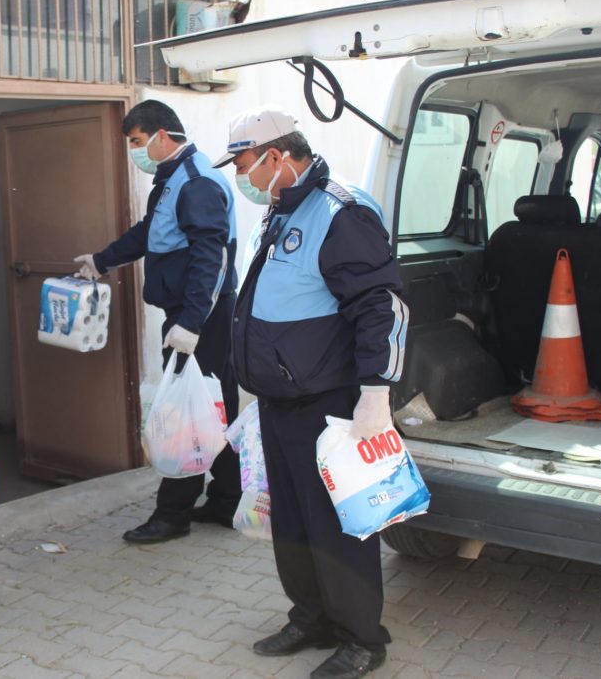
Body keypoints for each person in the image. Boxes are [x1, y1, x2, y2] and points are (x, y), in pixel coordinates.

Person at [216, 105, 408, 679]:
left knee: (336, 526)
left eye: (244, 163)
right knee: (293, 521)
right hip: (281, 403)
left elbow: (381, 306)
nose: (241, 175)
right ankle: (311, 617)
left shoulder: (341, 213)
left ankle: (360, 638)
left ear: (277, 156)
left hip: (328, 402)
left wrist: (376, 394)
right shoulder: (280, 208)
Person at [74, 99, 242, 543]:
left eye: (136, 142)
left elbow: (212, 255)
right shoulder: (174, 178)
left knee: (186, 410)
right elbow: (150, 233)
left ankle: (173, 515)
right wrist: (101, 260)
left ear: (162, 135)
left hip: (200, 314)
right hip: (197, 311)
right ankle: (227, 500)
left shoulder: (195, 182)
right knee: (214, 403)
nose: (134, 151)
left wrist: (190, 322)